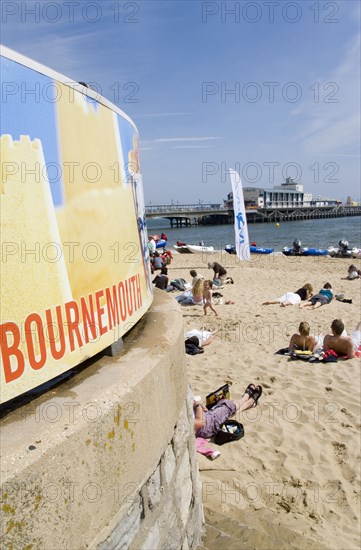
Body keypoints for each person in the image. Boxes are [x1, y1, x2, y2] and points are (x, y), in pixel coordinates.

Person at [194, 384, 262, 439]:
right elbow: (200, 423)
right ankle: (246, 398)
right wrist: (198, 406)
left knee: (225, 410)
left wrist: (199, 408)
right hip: (206, 426)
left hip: (204, 421)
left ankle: (249, 404)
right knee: (227, 406)